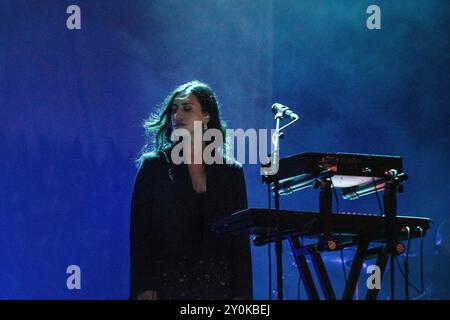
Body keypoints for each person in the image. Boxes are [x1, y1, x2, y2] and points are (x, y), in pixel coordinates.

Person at [129, 80, 253, 300]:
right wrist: (143, 285)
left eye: (187, 108)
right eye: (174, 109)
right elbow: (140, 234)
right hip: (167, 285)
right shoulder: (155, 166)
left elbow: (240, 242)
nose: (177, 115)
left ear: (206, 117)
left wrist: (242, 295)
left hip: (219, 288)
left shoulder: (231, 172)